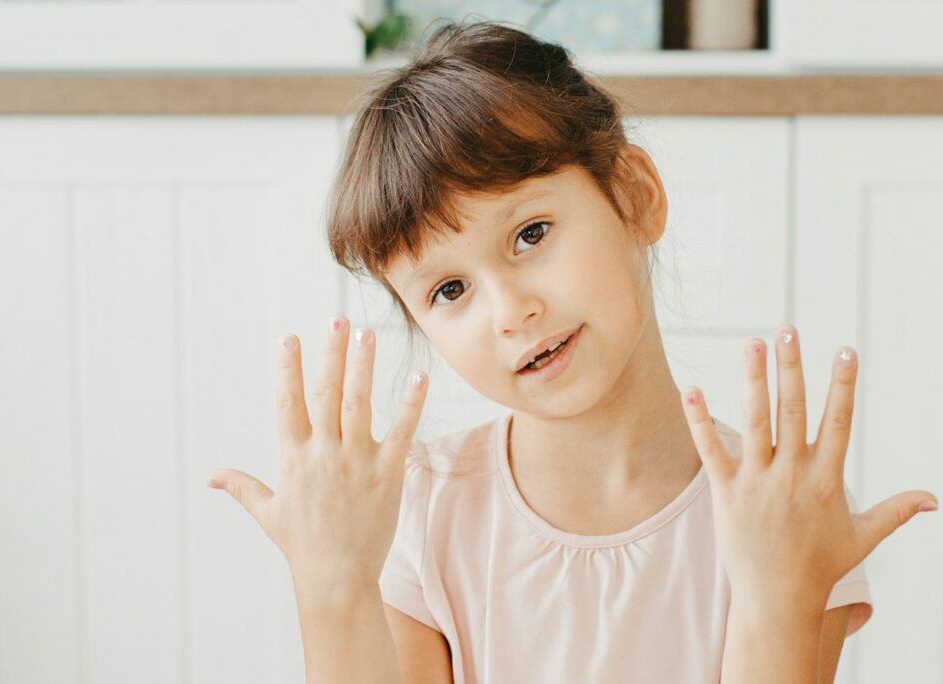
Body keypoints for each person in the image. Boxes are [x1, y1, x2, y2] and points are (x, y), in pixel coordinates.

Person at [206, 19, 938, 684]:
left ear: (635, 197)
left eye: (530, 234)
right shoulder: (419, 512)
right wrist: (332, 585)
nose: (510, 312)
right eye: (451, 290)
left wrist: (777, 598)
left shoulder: (781, 506)